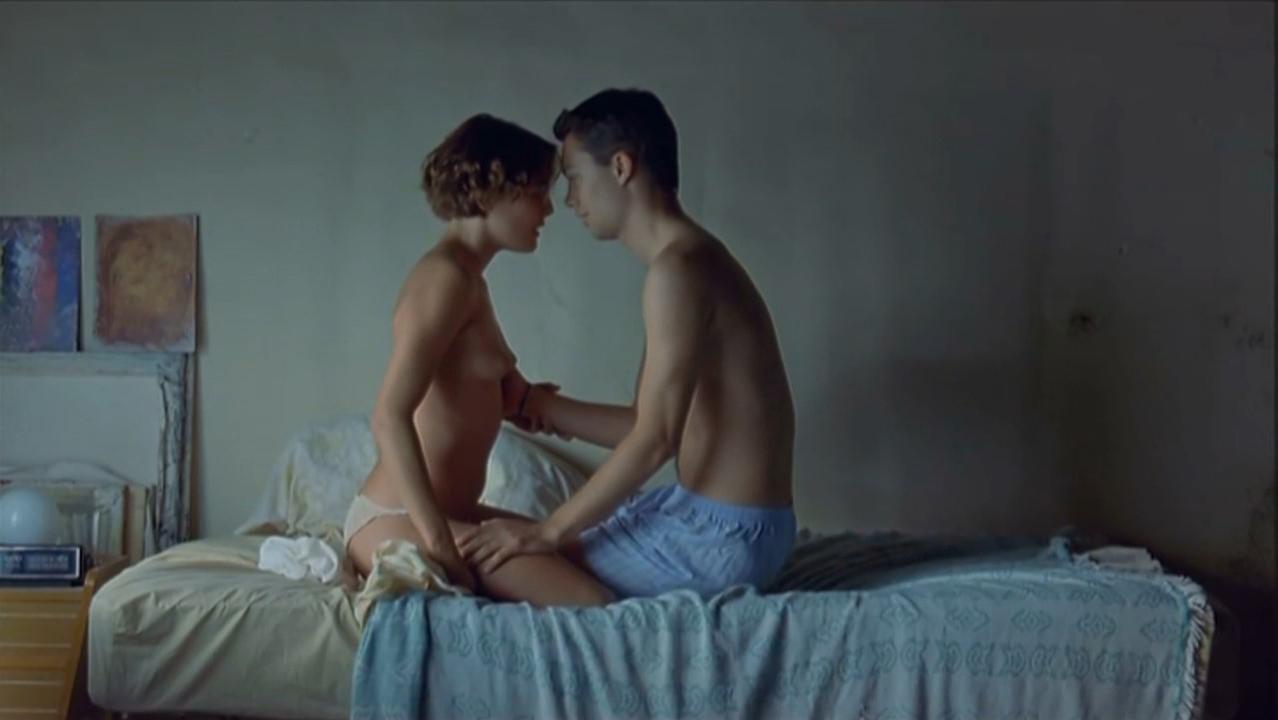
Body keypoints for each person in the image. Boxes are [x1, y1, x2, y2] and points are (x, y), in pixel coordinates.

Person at [459, 89, 797, 599]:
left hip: (722, 538)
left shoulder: (679, 272)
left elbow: (656, 440)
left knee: (511, 560)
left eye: (574, 177)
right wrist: (538, 405)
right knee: (505, 539)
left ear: (620, 167)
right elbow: (646, 425)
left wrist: (547, 533)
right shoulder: (688, 261)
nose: (569, 200)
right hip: (728, 522)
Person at [344, 114, 612, 606]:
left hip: (453, 514)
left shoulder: (468, 281)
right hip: (398, 519)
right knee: (592, 604)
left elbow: (468, 395)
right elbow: (389, 415)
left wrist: (520, 400)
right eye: (537, 192)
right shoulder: (444, 280)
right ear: (490, 192)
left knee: (599, 553)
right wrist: (441, 548)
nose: (549, 208)